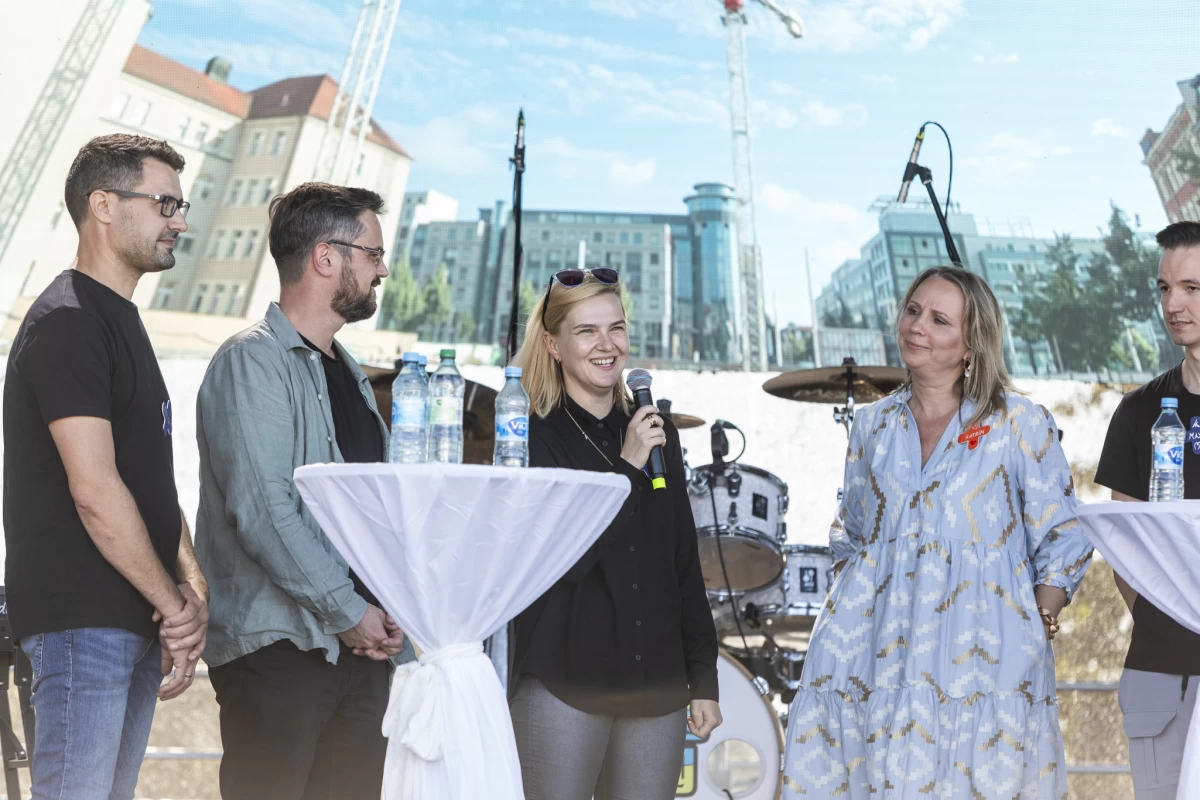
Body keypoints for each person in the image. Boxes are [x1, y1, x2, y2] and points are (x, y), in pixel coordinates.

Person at [783, 266, 1093, 798]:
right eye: (913, 311)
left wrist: (1038, 626)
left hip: (986, 654)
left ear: (972, 343)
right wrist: (864, 607)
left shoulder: (1019, 422)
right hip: (870, 650)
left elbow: (1065, 536)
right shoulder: (873, 425)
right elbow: (851, 534)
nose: (917, 326)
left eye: (939, 319)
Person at [2, 134, 209, 800]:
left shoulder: (119, 320)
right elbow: (94, 489)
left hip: (130, 622)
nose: (180, 221)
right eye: (165, 204)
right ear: (103, 205)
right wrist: (172, 603)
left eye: (182, 206)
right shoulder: (69, 322)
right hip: (78, 626)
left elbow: (148, 479)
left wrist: (191, 584)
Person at [195, 182, 411, 800]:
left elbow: (375, 512)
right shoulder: (252, 362)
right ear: (326, 257)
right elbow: (263, 510)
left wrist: (387, 619)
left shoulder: (349, 374)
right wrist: (349, 613)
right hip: (280, 653)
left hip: (361, 654)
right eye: (372, 254)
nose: (382, 270)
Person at [509, 268, 722, 800]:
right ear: (554, 345)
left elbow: (682, 560)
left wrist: (704, 676)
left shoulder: (655, 432)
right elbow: (560, 562)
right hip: (566, 679)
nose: (607, 345)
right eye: (587, 331)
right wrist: (625, 470)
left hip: (658, 682)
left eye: (617, 328)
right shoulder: (536, 434)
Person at [1095, 220, 1200, 800]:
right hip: (1162, 678)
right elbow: (1127, 553)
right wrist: (1174, 619)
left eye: (1192, 287)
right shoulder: (1138, 413)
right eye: (1164, 288)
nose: (1174, 303)